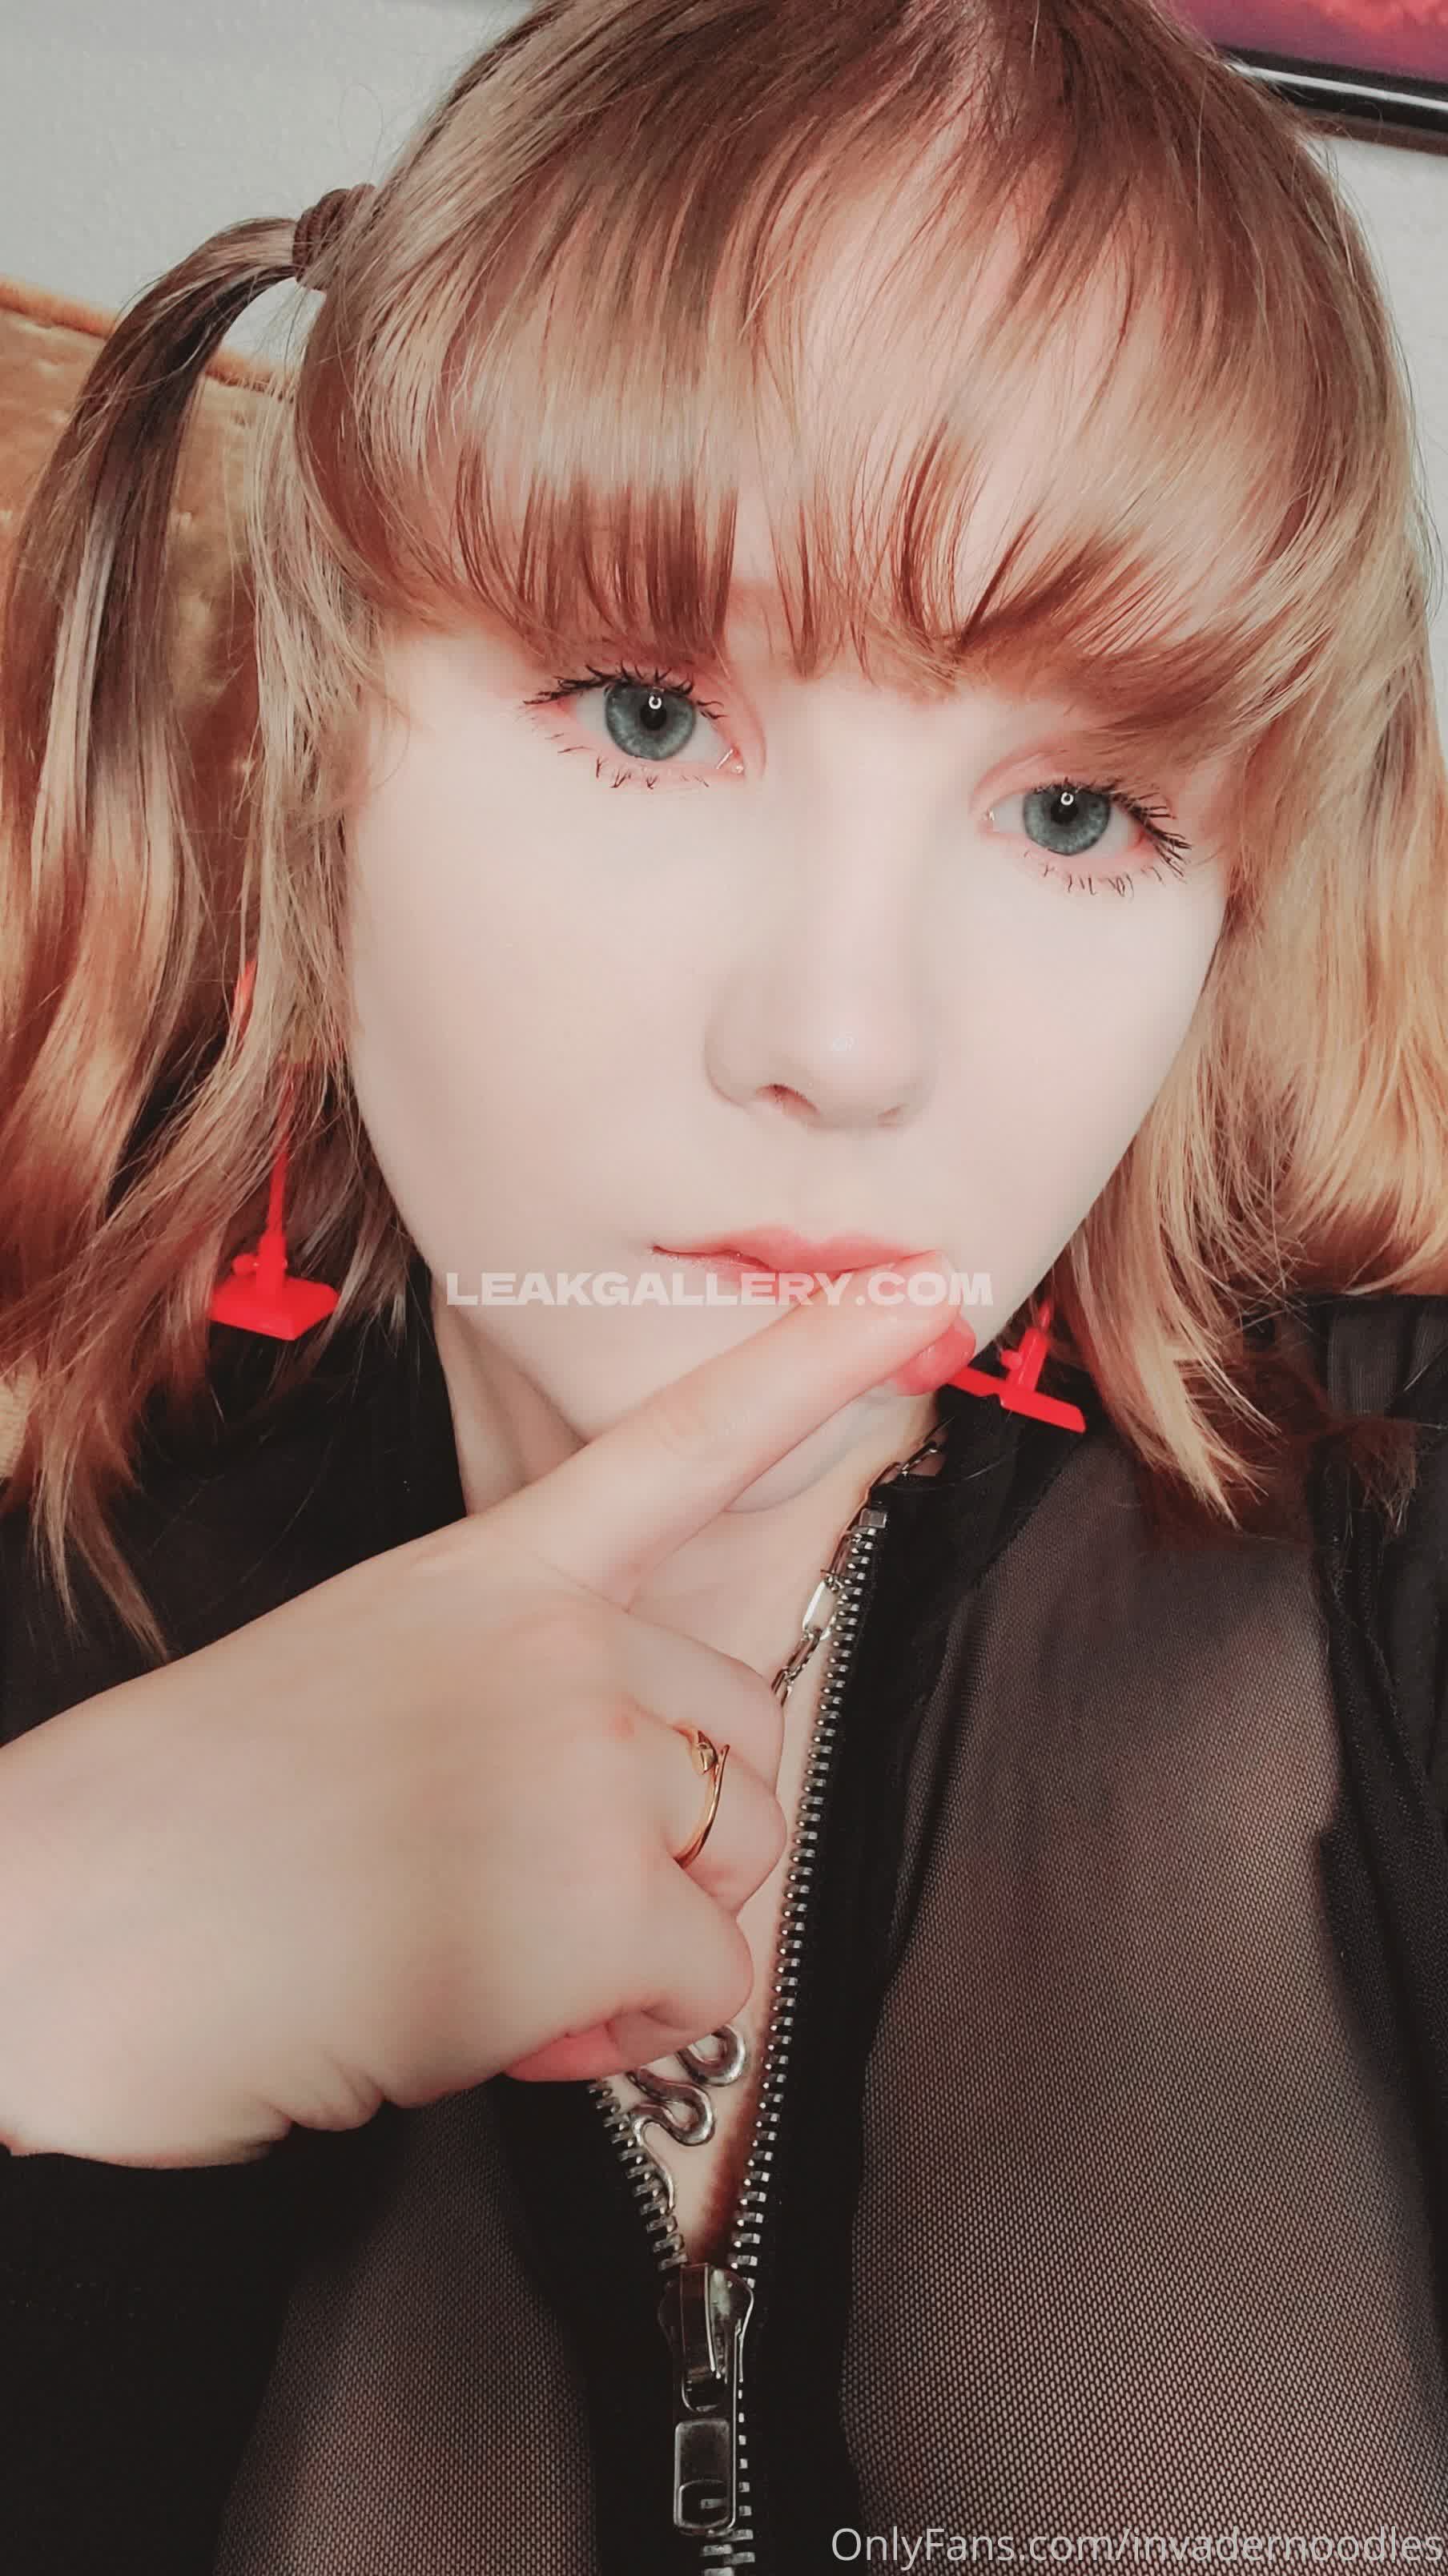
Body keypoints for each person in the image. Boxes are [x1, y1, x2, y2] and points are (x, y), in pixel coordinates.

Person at [2, 0, 1447, 2567]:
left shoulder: (1393, 1535)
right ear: (322, 735)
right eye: (651, 716)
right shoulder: (55, 1554)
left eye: (1079, 813)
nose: (849, 1041)